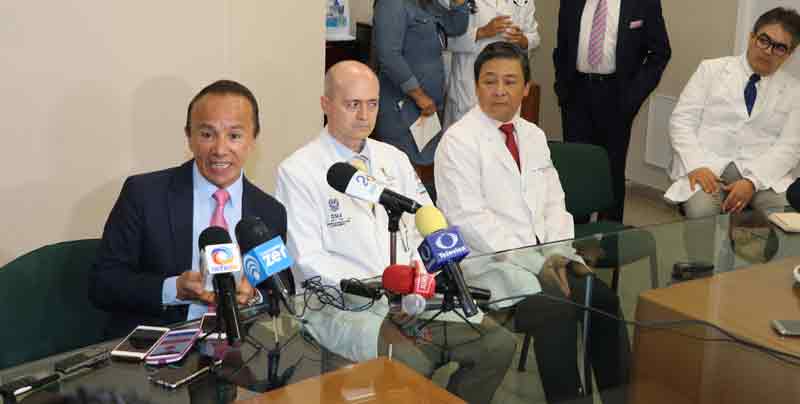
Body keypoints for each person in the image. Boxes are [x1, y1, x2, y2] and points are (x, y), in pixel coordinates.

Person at [275, 61, 516, 404]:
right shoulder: (298, 170)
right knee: (410, 363)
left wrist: (416, 283)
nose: (364, 115)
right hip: (344, 306)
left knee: (497, 344)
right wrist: (380, 291)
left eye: (372, 104)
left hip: (414, 297)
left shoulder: (395, 159)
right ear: (325, 104)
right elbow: (307, 260)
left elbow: (427, 227)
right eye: (352, 104)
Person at [436, 42, 630, 404]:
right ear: (476, 86)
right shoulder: (458, 141)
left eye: (510, 81)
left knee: (602, 300)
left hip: (550, 256)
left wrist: (558, 253)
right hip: (490, 266)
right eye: (489, 81)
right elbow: (469, 221)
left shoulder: (533, 135)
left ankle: (621, 397)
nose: (499, 90)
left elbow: (555, 203)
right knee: (556, 308)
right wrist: (535, 261)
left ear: (526, 88)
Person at [90, 80, 287, 338]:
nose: (220, 150)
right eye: (207, 135)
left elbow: (279, 292)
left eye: (234, 136)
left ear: (253, 140)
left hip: (240, 346)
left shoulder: (270, 212)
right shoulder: (144, 195)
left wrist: (253, 296)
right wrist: (173, 289)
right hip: (158, 344)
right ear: (189, 137)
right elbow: (103, 283)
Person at [665, 7, 800, 218]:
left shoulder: (794, 91)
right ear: (751, 37)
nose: (768, 51)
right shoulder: (710, 70)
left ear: (789, 54)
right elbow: (682, 121)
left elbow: (790, 146)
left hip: (761, 173)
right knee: (702, 213)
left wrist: (752, 182)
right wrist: (696, 165)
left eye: (780, 47)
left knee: (786, 218)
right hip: (707, 165)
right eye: (764, 40)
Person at [554, 0, 671, 222]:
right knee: (576, 171)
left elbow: (660, 52)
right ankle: (575, 235)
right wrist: (562, 88)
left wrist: (633, 97)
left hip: (617, 97)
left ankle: (609, 238)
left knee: (612, 173)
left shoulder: (643, 4)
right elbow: (562, 47)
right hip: (576, 95)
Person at [371, 0, 469, 196]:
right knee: (400, 177)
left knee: (423, 176)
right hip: (403, 107)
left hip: (427, 108)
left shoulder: (426, 3)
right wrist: (418, 95)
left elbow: (455, 27)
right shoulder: (392, 4)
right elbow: (389, 56)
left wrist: (459, 4)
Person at [444, 0, 540, 128]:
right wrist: (482, 32)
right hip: (469, 87)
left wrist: (522, 40)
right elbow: (445, 39)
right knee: (466, 135)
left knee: (503, 134)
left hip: (508, 86)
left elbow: (534, 36)